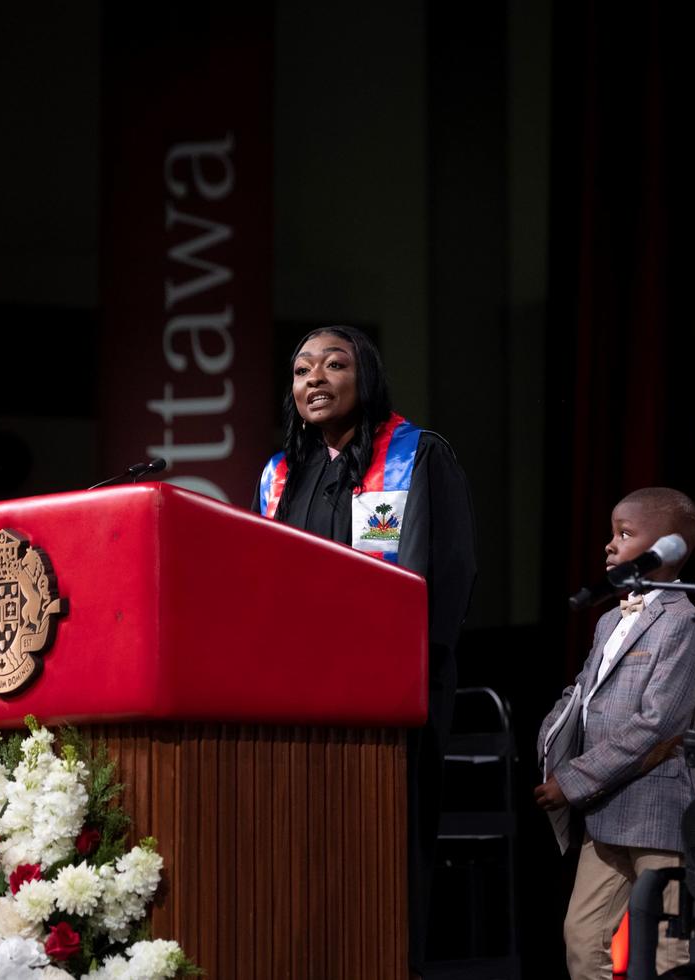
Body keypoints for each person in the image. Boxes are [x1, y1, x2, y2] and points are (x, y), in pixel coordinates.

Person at [251, 325, 477, 974]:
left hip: (391, 695)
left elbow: (450, 574)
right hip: (297, 700)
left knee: (384, 855)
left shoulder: (417, 457)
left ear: (367, 377)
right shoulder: (282, 476)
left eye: (333, 365)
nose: (313, 379)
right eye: (300, 371)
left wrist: (397, 676)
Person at [533, 488, 695, 980]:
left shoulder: (685, 622)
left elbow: (657, 724)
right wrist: (553, 744)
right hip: (606, 812)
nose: (609, 546)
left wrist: (572, 781)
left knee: (666, 949)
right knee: (582, 938)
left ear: (669, 546)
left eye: (625, 534)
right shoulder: (610, 618)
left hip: (655, 809)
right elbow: (582, 692)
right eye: (612, 533)